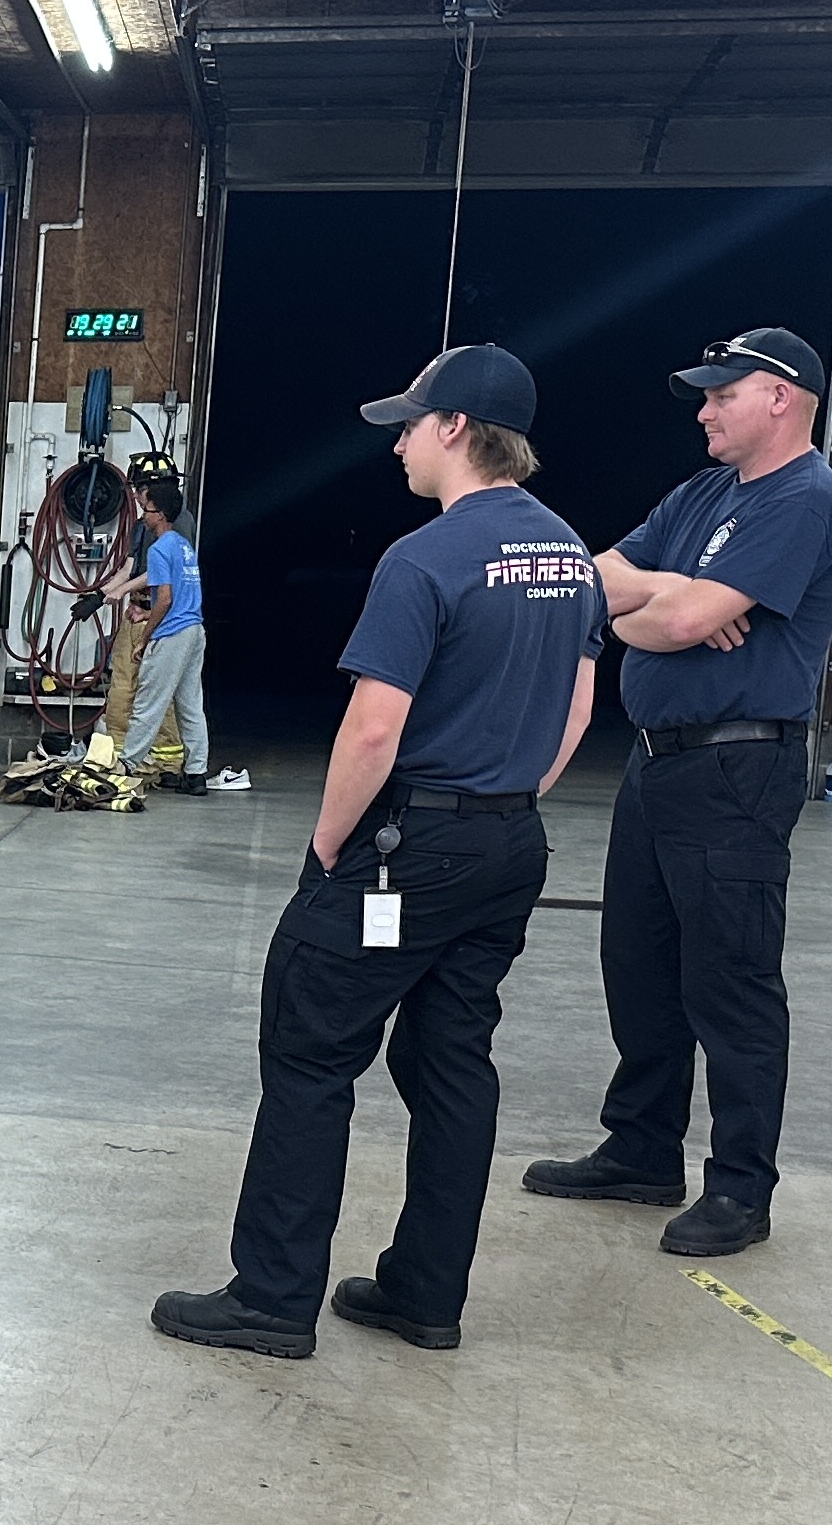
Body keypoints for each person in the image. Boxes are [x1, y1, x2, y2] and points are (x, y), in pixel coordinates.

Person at [152, 343, 599, 1359]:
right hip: (507, 845)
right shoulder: (571, 554)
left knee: (309, 1050)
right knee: (451, 1061)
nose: (397, 445)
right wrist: (503, 801)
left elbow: (371, 730)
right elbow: (576, 708)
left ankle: (272, 1299)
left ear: (455, 429)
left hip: (408, 843)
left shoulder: (425, 558)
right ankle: (424, 1295)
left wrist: (326, 849)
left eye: (408, 425)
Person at [522, 327, 832, 1260]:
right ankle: (641, 1149)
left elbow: (681, 621)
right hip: (658, 762)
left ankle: (741, 1189)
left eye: (721, 394)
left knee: (730, 982)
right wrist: (673, 591)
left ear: (780, 398)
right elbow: (594, 580)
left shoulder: (804, 499)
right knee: (639, 964)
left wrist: (676, 605)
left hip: (736, 769)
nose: (704, 411)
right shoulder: (703, 495)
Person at [110, 479, 244, 794]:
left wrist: (144, 637)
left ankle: (125, 766)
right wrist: (146, 614)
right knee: (190, 706)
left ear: (161, 514)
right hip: (194, 631)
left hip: (172, 635)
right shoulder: (184, 547)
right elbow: (181, 598)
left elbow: (165, 600)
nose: (143, 515)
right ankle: (196, 774)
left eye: (147, 509)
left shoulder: (159, 549)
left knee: (148, 702)